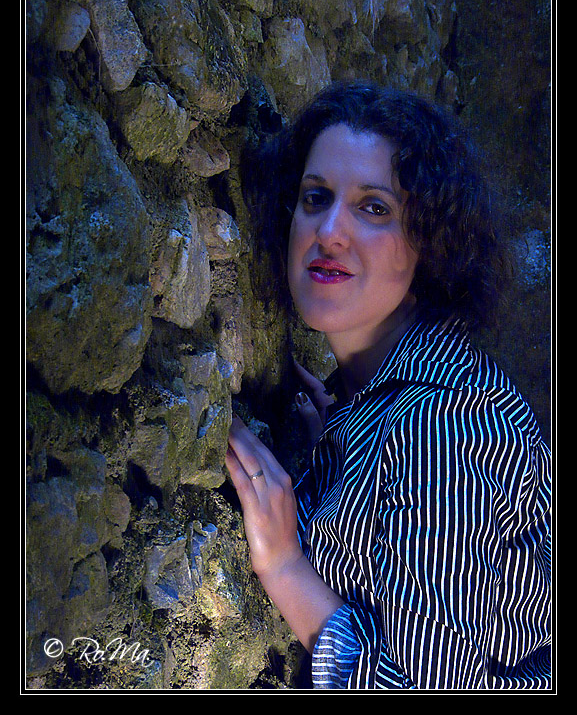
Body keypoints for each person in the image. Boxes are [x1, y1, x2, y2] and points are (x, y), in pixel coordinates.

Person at [225, 80, 551, 689]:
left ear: (430, 243)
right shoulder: (382, 400)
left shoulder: (442, 428)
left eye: (374, 208)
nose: (329, 231)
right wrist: (342, 448)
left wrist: (286, 565)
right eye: (316, 197)